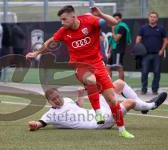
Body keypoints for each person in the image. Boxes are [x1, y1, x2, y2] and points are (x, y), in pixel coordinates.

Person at [26, 5, 134, 138]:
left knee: (112, 100)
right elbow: (50, 42)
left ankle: (122, 130)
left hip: (98, 64)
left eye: (64, 19)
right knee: (91, 80)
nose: (62, 22)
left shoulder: (90, 21)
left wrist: (100, 14)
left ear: (73, 16)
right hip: (80, 66)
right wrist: (36, 52)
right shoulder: (63, 31)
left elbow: (113, 23)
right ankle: (98, 111)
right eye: (61, 20)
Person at [28, 80, 167, 134]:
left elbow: (78, 107)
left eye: (58, 97)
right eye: (53, 100)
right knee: (129, 103)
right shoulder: (50, 114)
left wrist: (80, 95)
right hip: (99, 122)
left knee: (118, 84)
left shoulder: (67, 100)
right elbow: (40, 123)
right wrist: (35, 124)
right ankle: (151, 105)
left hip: (97, 112)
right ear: (49, 102)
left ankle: (144, 107)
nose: (57, 100)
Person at [136, 11, 167, 95]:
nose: (152, 18)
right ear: (148, 18)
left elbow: (165, 40)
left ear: (157, 19)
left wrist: (162, 50)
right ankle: (144, 89)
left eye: (154, 17)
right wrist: (139, 48)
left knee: (157, 72)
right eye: (151, 16)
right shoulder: (143, 28)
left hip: (157, 54)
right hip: (146, 54)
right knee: (144, 72)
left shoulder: (161, 28)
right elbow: (138, 39)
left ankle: (155, 90)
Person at [107, 12, 131, 80]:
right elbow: (112, 41)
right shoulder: (115, 27)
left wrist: (113, 30)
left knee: (119, 67)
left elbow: (116, 38)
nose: (115, 20)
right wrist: (109, 52)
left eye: (117, 19)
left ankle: (121, 85)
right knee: (108, 67)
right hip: (113, 50)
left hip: (119, 51)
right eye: (114, 19)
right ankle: (109, 85)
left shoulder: (121, 27)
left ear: (121, 19)